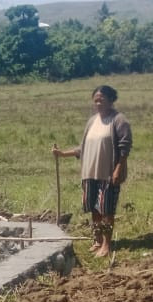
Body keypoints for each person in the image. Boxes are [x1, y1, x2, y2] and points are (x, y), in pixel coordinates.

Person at [52, 85, 132, 258]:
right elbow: (84, 147)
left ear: (111, 100)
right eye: (95, 99)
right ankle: (97, 240)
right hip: (90, 173)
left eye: (101, 99)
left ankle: (106, 244)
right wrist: (62, 154)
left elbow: (124, 148)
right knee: (94, 208)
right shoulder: (92, 121)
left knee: (106, 210)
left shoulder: (118, 120)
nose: (98, 102)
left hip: (108, 174)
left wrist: (118, 169)